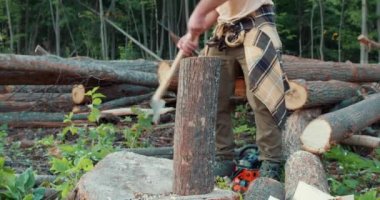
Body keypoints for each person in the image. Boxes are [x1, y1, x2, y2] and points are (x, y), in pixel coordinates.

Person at [177, 0, 289, 180]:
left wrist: (197, 13)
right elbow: (221, 8)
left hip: (257, 24)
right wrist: (194, 32)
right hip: (225, 30)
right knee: (212, 97)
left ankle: (271, 162)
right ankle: (223, 158)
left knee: (263, 99)